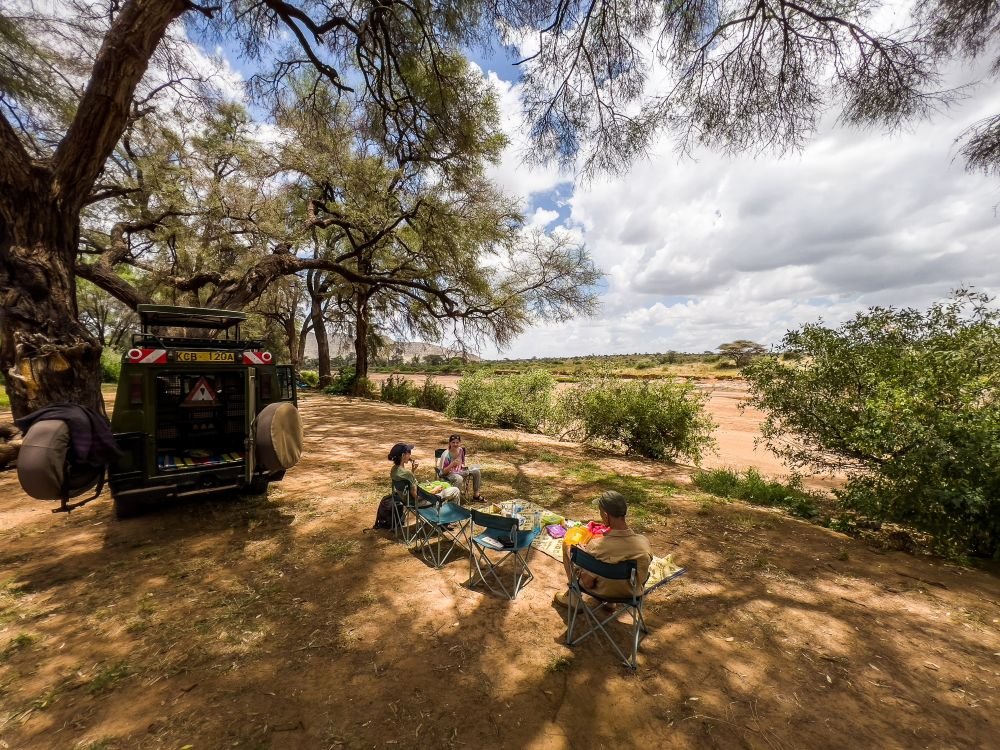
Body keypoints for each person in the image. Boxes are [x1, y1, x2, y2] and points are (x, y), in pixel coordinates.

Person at [554, 490, 653, 609]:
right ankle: (611, 604)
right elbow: (642, 576)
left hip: (603, 591)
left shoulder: (597, 546)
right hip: (632, 592)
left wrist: (585, 557)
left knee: (568, 547)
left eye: (600, 513)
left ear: (606, 515)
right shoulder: (644, 543)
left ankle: (574, 598)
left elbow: (588, 583)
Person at [388, 442, 460, 504]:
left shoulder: (394, 470)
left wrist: (413, 470)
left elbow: (408, 483)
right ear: (403, 455)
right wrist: (434, 491)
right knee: (455, 490)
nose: (410, 455)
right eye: (409, 452)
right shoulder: (407, 474)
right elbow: (417, 497)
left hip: (405, 500)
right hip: (418, 503)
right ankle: (450, 517)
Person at [439, 433, 484, 502]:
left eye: (457, 442)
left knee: (476, 471)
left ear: (460, 443)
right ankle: (455, 499)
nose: (455, 444)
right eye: (453, 442)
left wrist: (463, 467)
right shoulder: (446, 454)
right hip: (447, 473)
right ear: (449, 443)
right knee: (459, 478)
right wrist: (452, 464)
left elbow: (462, 463)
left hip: (459, 470)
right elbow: (444, 472)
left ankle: (476, 495)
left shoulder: (461, 450)